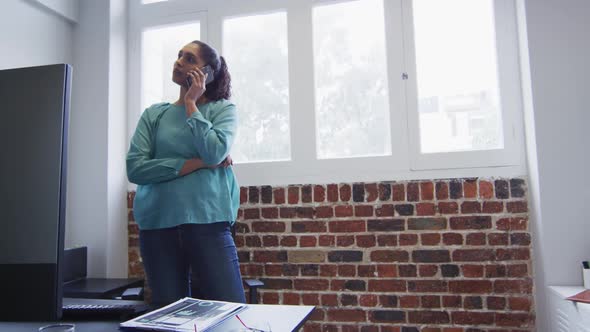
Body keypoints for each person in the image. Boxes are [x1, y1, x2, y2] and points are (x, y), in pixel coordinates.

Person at [126, 40, 245, 306]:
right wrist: (198, 163)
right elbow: (136, 168)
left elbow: (214, 152)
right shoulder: (153, 115)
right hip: (158, 227)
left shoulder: (222, 109)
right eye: (179, 55)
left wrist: (191, 103)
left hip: (208, 224)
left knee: (230, 311)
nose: (179, 61)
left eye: (189, 59)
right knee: (169, 315)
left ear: (208, 74)